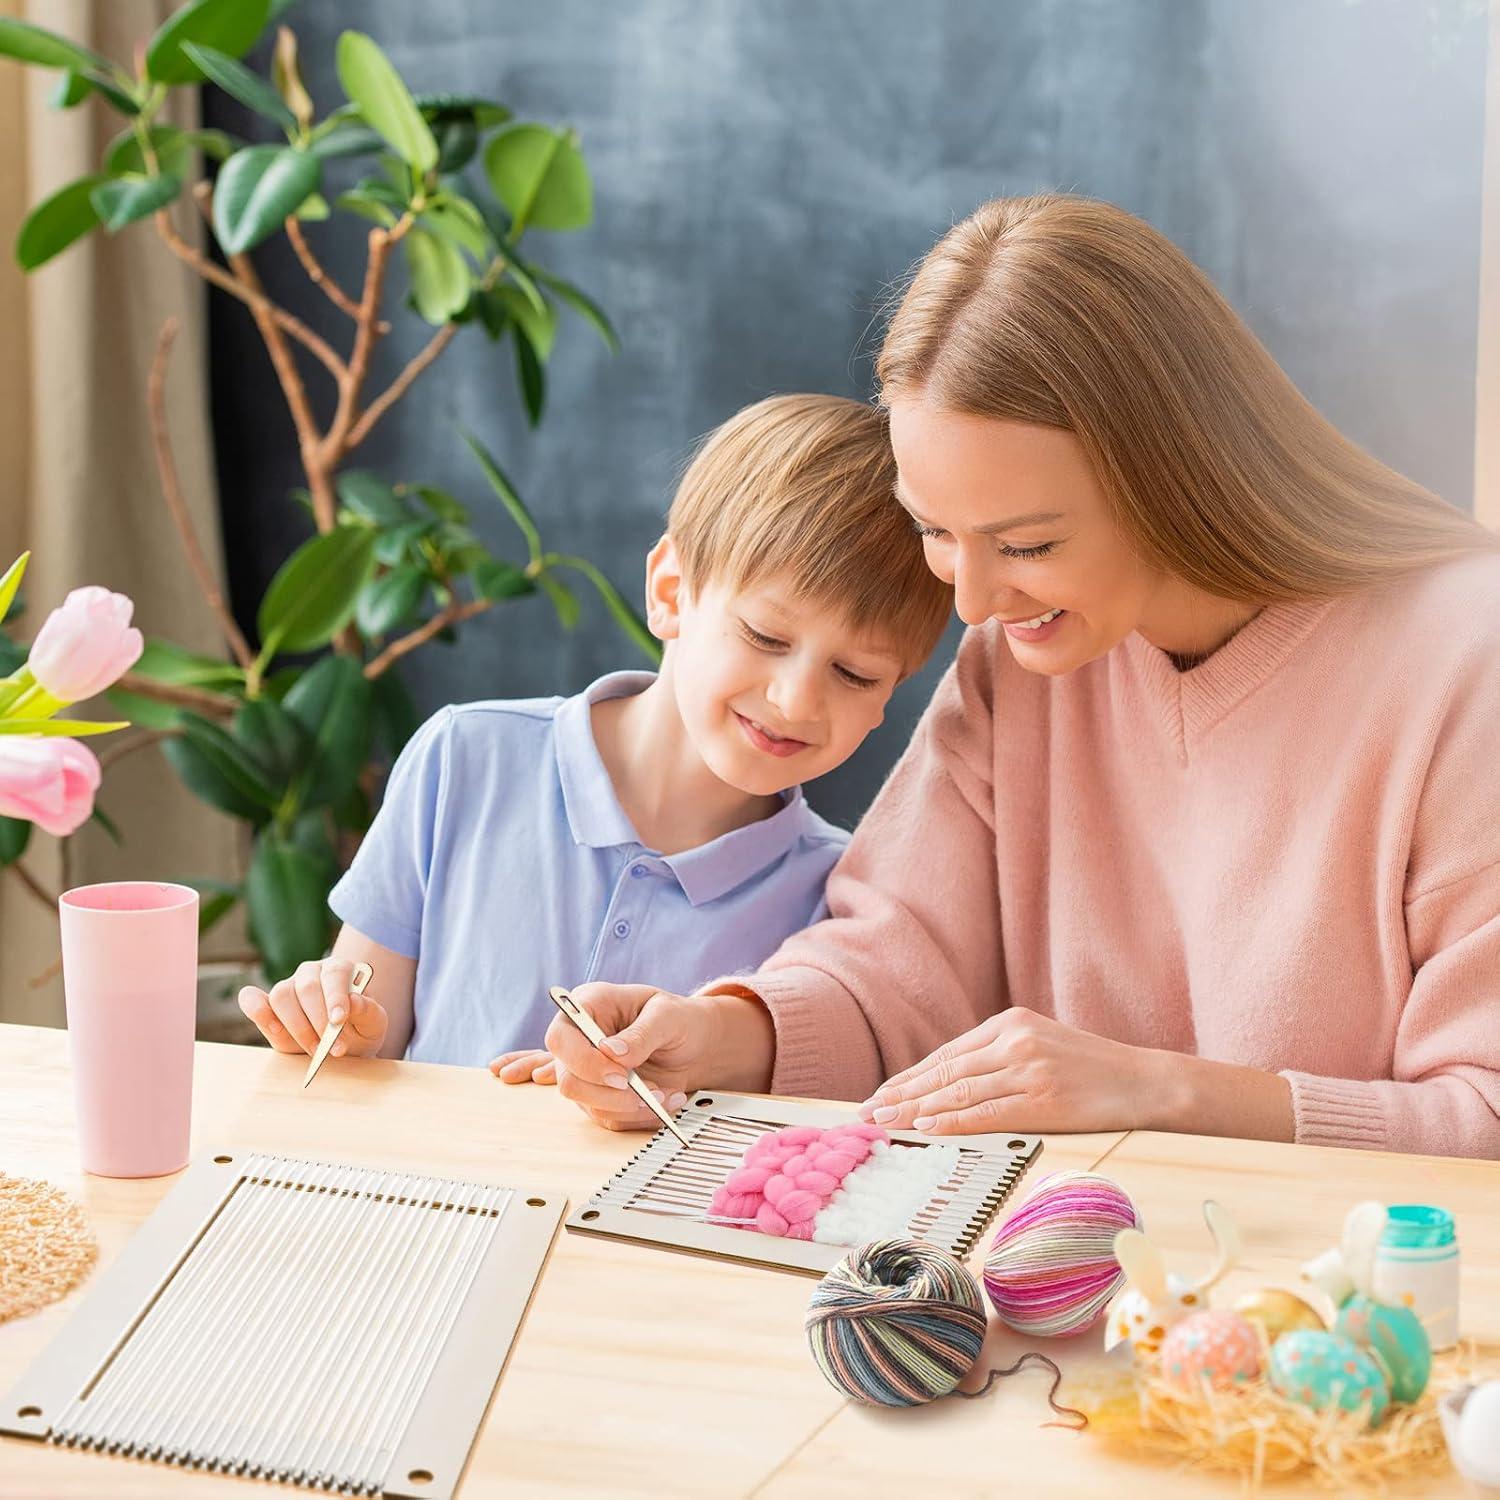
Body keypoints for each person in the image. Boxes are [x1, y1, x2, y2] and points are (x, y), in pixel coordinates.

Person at [547, 195, 1500, 1160]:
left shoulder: (1465, 659)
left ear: (1173, 474)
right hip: (1054, 1280)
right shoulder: (1027, 658)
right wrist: (720, 1039)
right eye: (935, 532)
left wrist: (1158, 1091)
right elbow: (894, 975)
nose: (972, 604)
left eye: (1028, 543)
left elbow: (1485, 1111)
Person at [235, 394, 952, 1076]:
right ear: (671, 592)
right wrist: (331, 1029)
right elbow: (360, 1041)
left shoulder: (837, 898)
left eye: (855, 674)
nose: (796, 699)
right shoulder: (464, 759)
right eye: (765, 636)